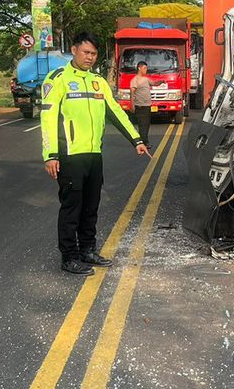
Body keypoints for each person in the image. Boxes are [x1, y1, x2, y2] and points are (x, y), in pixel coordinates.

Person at [41, 31, 148, 275]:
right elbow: (47, 119)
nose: (90, 57)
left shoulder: (98, 81)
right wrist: (50, 154)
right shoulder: (58, 79)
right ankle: (69, 257)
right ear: (74, 50)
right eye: (86, 52)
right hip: (69, 155)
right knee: (72, 208)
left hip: (93, 155)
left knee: (91, 206)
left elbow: (115, 112)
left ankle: (87, 250)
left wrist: (136, 139)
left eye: (94, 54)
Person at [130, 61, 154, 149]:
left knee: (146, 124)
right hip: (140, 106)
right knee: (143, 125)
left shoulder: (146, 79)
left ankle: (143, 141)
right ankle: (144, 142)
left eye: (146, 68)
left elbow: (154, 83)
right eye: (144, 68)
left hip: (147, 106)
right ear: (139, 68)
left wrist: (161, 81)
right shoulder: (135, 80)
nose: (146, 70)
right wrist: (132, 105)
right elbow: (132, 93)